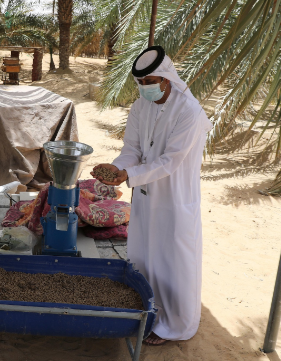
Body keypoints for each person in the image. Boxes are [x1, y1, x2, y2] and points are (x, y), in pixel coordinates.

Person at [91, 46, 212, 345]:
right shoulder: (139, 107)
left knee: (173, 261)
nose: (145, 88)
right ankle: (146, 313)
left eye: (151, 82)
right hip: (145, 196)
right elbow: (132, 150)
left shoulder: (189, 112)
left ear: (168, 78)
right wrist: (116, 167)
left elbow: (170, 161)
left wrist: (129, 176)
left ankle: (175, 326)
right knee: (144, 255)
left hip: (175, 198)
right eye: (141, 83)